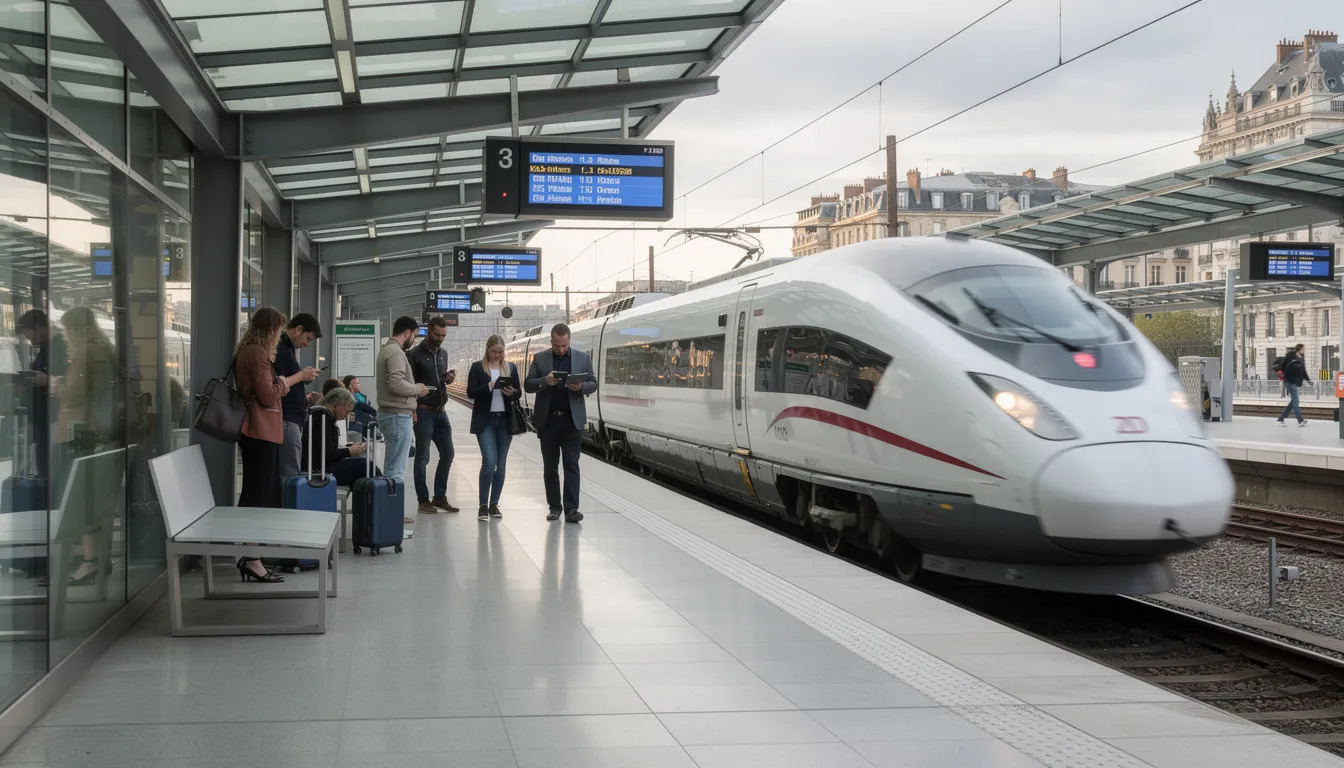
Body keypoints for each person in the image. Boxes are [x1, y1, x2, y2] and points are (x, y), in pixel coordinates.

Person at [236, 307, 317, 582]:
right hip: (259, 432)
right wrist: (287, 381)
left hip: (261, 432)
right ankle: (252, 558)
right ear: (269, 330)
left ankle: (254, 555)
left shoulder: (250, 351)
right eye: (277, 331)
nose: (278, 337)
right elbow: (268, 396)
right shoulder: (256, 354)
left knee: (260, 493)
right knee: (258, 495)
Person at [51, 307, 117, 586]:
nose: (65, 337)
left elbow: (74, 395)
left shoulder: (84, 353)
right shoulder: (106, 350)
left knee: (79, 498)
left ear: (74, 329)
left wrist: (55, 385)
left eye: (66, 331)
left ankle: (89, 561)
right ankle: (98, 557)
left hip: (78, 432)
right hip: (97, 431)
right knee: (94, 497)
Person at [524, 323, 597, 523]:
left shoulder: (583, 358)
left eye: (564, 345)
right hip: (548, 421)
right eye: (557, 346)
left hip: (572, 421)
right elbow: (528, 384)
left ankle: (571, 509)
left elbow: (593, 383)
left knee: (571, 465)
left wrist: (581, 387)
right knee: (550, 466)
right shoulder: (540, 358)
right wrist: (545, 381)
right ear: (551, 341)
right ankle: (554, 507)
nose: (561, 349)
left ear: (569, 340)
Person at [376, 316, 428, 524]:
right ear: (407, 332)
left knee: (393, 466)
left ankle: (390, 512)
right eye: (414, 335)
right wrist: (418, 389)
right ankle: (392, 515)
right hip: (397, 416)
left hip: (394, 414)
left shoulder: (387, 350)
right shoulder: (396, 352)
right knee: (396, 469)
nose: (413, 340)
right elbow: (395, 383)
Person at [408, 316, 459, 515]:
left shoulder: (443, 353)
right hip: (423, 411)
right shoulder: (414, 355)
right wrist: (413, 410)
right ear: (429, 331)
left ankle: (439, 497)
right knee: (423, 457)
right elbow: (410, 385)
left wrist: (447, 379)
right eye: (437, 334)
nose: (440, 338)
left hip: (440, 412)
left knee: (448, 453)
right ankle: (423, 500)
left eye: (444, 335)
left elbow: (438, 379)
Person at [467, 334, 520, 520]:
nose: (497, 355)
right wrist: (489, 386)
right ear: (487, 349)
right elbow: (470, 392)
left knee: (501, 463)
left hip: (505, 421)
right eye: (494, 351)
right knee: (489, 462)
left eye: (501, 352)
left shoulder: (510, 368)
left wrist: (512, 391)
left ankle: (494, 505)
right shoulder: (477, 367)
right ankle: (483, 505)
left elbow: (519, 392)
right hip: (485, 421)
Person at [15, 309, 67, 478]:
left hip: (53, 417)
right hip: (43, 417)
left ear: (38, 327)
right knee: (41, 463)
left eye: (28, 334)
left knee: (49, 467)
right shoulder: (46, 349)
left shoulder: (59, 348)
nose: (29, 339)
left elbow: (68, 380)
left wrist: (46, 381)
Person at [273, 313, 322, 481]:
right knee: (289, 475)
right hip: (286, 418)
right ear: (298, 329)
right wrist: (302, 375)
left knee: (289, 472)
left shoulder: (288, 348)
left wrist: (305, 398)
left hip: (290, 418)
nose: (307, 344)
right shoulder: (280, 347)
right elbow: (278, 384)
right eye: (308, 339)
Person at [302, 388, 381, 487]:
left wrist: (348, 449)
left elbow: (324, 449)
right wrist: (349, 451)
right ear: (338, 405)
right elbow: (327, 453)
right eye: (347, 411)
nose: (347, 416)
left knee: (363, 467)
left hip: (320, 465)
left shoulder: (322, 416)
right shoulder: (323, 419)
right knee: (368, 467)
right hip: (319, 469)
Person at [1277, 343, 1309, 427]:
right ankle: (1300, 420)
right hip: (1290, 382)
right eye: (1303, 349)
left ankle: (1281, 419)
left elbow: (1303, 371)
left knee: (1293, 402)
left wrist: (1308, 380)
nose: (1304, 350)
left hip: (1295, 382)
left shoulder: (1301, 359)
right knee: (1296, 402)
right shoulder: (1291, 357)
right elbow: (1284, 368)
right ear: (1300, 349)